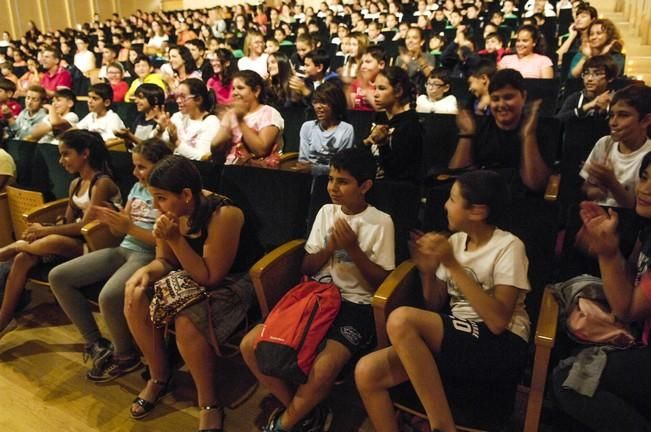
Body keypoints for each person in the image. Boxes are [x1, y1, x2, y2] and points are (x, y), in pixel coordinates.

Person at [355, 170, 530, 432]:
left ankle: (441, 426)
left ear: (477, 211)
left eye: (452, 198)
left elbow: (498, 321)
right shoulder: (456, 242)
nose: (445, 205)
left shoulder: (508, 246)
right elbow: (435, 305)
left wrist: (451, 264)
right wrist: (427, 271)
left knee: (401, 319)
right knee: (367, 372)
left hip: (502, 343)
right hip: (460, 337)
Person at [240, 147, 396, 432]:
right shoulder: (327, 212)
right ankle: (303, 410)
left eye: (343, 181)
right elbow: (308, 267)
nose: (333, 188)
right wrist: (330, 247)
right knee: (249, 346)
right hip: (315, 294)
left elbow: (380, 283)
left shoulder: (381, 222)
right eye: (331, 179)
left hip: (355, 304)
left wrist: (353, 249)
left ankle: (286, 423)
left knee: (324, 367)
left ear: (365, 185)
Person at [123, 155, 259, 431]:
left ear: (186, 194)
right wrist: (148, 272)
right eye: (154, 197)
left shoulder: (224, 214)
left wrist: (175, 238)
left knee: (187, 321)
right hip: (191, 272)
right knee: (134, 293)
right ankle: (159, 376)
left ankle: (209, 402)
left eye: (161, 198)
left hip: (235, 282)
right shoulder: (169, 211)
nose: (156, 206)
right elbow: (166, 261)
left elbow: (210, 277)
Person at [48, 139, 172, 379]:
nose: (135, 172)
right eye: (134, 166)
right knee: (59, 276)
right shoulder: (137, 188)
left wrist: (128, 226)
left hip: (148, 255)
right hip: (124, 249)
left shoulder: (167, 194)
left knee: (109, 295)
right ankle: (96, 343)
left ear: (161, 166)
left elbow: (164, 243)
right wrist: (111, 220)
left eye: (142, 167)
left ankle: (126, 356)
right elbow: (120, 232)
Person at [552, 153, 651, 431]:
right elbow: (631, 279)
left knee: (571, 380)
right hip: (640, 342)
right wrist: (605, 246)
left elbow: (627, 308)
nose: (645, 189)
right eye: (644, 177)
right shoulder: (647, 231)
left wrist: (606, 254)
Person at [0, 130, 121, 339]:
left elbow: (86, 225)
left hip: (99, 243)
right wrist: (46, 228)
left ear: (85, 154)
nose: (61, 160)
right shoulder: (75, 184)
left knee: (47, 240)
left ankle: (13, 246)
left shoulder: (102, 183)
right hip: (77, 240)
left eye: (66, 154)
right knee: (23, 258)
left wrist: (46, 231)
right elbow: (67, 221)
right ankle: (3, 321)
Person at [449, 69, 552, 192]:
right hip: (483, 199)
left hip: (521, 202)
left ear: (523, 97)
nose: (501, 104)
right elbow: (457, 178)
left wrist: (528, 135)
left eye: (508, 97)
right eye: (495, 99)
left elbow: (535, 184)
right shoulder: (478, 127)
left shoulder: (539, 130)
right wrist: (467, 134)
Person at [580, 85, 651, 209]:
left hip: (629, 220)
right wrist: (599, 189)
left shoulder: (648, 154)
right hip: (599, 213)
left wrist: (612, 183)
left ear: (645, 120)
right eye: (612, 115)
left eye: (623, 115)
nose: (613, 122)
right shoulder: (605, 143)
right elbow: (587, 189)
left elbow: (636, 208)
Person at [212, 70, 284, 168]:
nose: (234, 93)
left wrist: (240, 121)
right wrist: (226, 125)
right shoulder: (231, 114)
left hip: (259, 173)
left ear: (257, 91)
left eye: (240, 88)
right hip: (229, 169)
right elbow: (215, 147)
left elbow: (261, 151)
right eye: (233, 88)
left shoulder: (269, 113)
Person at [364, 66, 422, 183]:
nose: (375, 94)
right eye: (374, 88)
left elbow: (400, 171)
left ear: (398, 91)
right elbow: (359, 156)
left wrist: (383, 144)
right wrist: (367, 142)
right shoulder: (378, 118)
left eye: (381, 88)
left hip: (394, 191)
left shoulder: (410, 124)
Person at [297, 81, 354, 175]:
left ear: (335, 104)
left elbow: (341, 166)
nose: (318, 107)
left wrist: (315, 169)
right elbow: (303, 163)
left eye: (323, 102)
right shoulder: (307, 127)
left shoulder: (346, 129)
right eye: (315, 102)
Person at [155, 78, 219, 160]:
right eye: (177, 97)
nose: (178, 101)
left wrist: (177, 142)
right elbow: (157, 146)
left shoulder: (211, 122)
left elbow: (203, 157)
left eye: (182, 97)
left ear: (198, 99)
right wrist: (160, 130)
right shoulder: (177, 117)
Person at [556, 55, 618, 122]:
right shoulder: (575, 98)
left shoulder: (616, 100)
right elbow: (556, 122)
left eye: (597, 74)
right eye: (586, 73)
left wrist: (604, 112)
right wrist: (587, 107)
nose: (589, 79)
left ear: (610, 78)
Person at [115, 84, 166, 148]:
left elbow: (152, 148)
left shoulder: (162, 121)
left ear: (155, 100)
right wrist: (125, 137)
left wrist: (130, 136)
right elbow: (131, 146)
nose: (136, 101)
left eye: (141, 97)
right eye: (136, 97)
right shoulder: (139, 118)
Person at [347, 46, 386, 111]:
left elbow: (385, 112)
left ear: (381, 64)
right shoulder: (356, 83)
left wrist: (369, 95)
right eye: (362, 62)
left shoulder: (386, 85)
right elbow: (350, 108)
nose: (363, 66)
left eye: (368, 62)